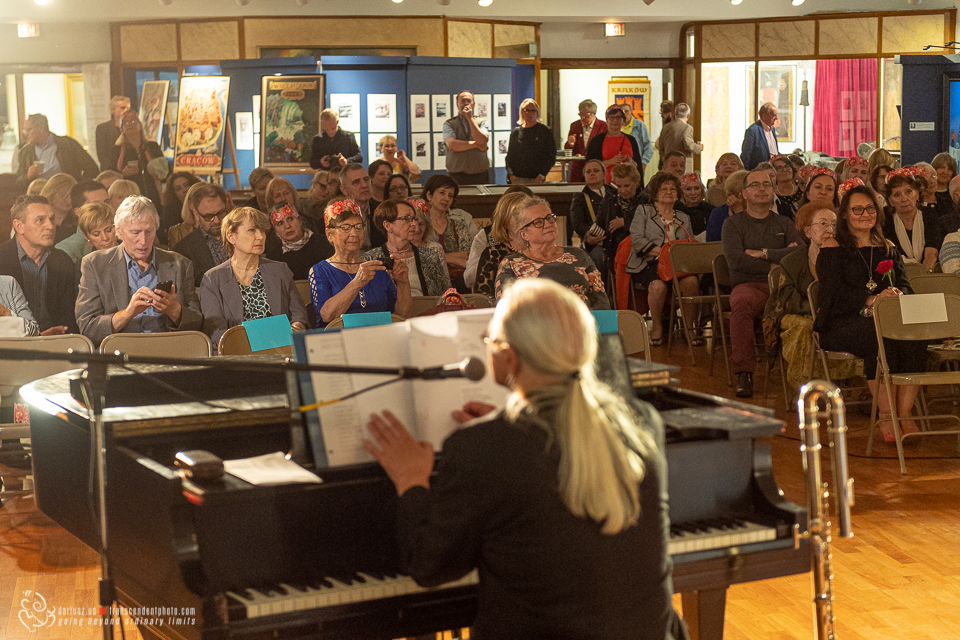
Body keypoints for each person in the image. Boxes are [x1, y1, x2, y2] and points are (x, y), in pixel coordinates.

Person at [362, 278, 675, 640]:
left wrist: (411, 480)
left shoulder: (484, 447)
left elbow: (430, 568)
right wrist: (495, 431)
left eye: (489, 340)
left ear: (507, 356)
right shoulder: (643, 422)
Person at [814, 185, 926, 441]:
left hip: (887, 318)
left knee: (915, 336)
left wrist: (898, 293)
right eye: (857, 209)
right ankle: (887, 416)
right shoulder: (833, 247)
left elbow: (905, 284)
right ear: (844, 214)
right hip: (842, 321)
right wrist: (872, 299)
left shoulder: (886, 246)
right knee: (878, 337)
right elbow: (832, 295)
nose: (865, 214)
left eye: (870, 208)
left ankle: (904, 413)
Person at [76, 196, 202, 345]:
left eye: (149, 231)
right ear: (119, 232)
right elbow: (88, 328)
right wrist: (127, 314)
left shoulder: (180, 264)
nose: (143, 241)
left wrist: (174, 310)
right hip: (120, 354)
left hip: (168, 352)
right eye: (135, 233)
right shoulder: (94, 265)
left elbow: (197, 326)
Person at [721, 169, 803, 398]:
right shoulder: (733, 224)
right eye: (755, 185)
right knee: (742, 305)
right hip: (749, 286)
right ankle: (744, 373)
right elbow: (736, 260)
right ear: (744, 193)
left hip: (784, 287)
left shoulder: (784, 223)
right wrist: (773, 266)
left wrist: (763, 253)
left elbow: (799, 254)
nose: (761, 189)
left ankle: (808, 371)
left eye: (767, 184)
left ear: (774, 190)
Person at [764, 202, 848, 393]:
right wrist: (814, 310)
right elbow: (786, 298)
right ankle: (805, 387)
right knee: (806, 327)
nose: (830, 229)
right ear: (808, 232)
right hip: (795, 312)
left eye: (834, 224)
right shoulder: (790, 261)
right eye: (823, 224)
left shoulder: (845, 257)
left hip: (831, 313)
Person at [201, 207, 308, 349]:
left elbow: (299, 315)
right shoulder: (212, 279)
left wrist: (295, 330)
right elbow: (218, 335)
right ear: (231, 236)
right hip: (237, 356)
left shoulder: (280, 270)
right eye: (252, 230)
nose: (260, 236)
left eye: (262, 230)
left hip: (282, 350)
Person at [308, 198, 411, 326]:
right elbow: (327, 315)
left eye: (358, 227)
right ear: (330, 235)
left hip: (379, 337)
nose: (354, 234)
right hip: (339, 340)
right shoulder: (320, 270)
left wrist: (403, 283)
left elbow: (400, 315)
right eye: (346, 228)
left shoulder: (377, 268)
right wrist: (357, 282)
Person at [496, 196, 609, 310]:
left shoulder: (579, 255)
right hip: (537, 324)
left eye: (549, 218)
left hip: (583, 323)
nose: (548, 224)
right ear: (524, 234)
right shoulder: (511, 264)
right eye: (538, 222)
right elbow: (507, 308)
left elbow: (601, 300)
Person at [628, 172, 699, 345]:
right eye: (663, 189)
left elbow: (687, 244)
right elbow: (636, 240)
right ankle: (657, 327)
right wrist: (664, 251)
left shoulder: (683, 217)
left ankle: (689, 328)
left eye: (672, 189)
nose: (669, 192)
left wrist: (674, 255)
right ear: (655, 193)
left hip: (677, 265)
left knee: (691, 282)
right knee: (658, 287)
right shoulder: (644, 211)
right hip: (649, 262)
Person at [0, 195, 79, 335]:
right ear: (19, 226)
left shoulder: (62, 260)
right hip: (12, 343)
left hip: (56, 341)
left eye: (52, 219)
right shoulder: (2, 258)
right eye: (40, 220)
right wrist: (37, 336)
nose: (50, 226)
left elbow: (69, 316)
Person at [363, 199, 451, 298]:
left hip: (427, 311)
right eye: (407, 218)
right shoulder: (371, 259)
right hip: (391, 313)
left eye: (414, 218)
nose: (414, 224)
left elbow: (445, 295)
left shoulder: (430, 256)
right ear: (388, 225)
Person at [469, 191, 531, 297]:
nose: (524, 219)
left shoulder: (541, 247)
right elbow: (484, 298)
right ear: (505, 219)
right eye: (517, 215)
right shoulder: (492, 254)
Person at [16, 114, 99, 189]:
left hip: (66, 196)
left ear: (41, 128)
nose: (25, 134)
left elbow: (92, 168)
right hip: (39, 197)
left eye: (28, 130)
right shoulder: (25, 152)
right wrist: (27, 176)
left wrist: (78, 187)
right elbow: (17, 182)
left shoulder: (67, 144)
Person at [422, 174, 479, 285]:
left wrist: (439, 256)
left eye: (450, 195)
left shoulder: (463, 217)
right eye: (442, 193)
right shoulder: (420, 219)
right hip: (431, 279)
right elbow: (421, 255)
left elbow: (474, 251)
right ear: (429, 195)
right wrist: (456, 259)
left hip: (464, 277)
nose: (446, 199)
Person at [171, 183, 231, 286]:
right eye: (209, 216)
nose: (217, 220)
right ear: (196, 214)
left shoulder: (242, 236)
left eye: (221, 213)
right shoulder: (183, 249)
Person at [882, 168, 942, 271]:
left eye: (908, 192)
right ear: (890, 201)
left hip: (926, 276)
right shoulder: (885, 221)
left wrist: (921, 278)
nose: (904, 198)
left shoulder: (930, 217)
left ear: (917, 194)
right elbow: (889, 257)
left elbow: (931, 254)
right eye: (897, 195)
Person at [109, 110, 166, 217]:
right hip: (130, 198)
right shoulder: (116, 151)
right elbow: (109, 175)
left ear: (140, 125)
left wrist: (159, 172)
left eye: (133, 121)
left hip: (153, 195)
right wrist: (122, 174)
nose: (130, 124)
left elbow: (166, 171)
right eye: (126, 123)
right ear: (122, 129)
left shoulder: (152, 147)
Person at [263, 202, 334, 280]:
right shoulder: (273, 257)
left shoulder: (325, 244)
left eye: (290, 219)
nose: (287, 226)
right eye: (280, 223)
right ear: (276, 232)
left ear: (300, 221)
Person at [569, 159, 615, 272]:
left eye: (596, 171)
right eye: (588, 172)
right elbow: (578, 224)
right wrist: (589, 235)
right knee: (599, 257)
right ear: (584, 176)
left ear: (604, 175)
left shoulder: (615, 193)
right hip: (594, 242)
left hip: (616, 238)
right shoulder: (580, 197)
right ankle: (601, 288)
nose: (592, 173)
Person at [596, 163, 645, 271]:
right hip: (614, 250)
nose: (622, 190)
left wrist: (626, 222)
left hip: (642, 251)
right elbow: (599, 225)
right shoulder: (609, 202)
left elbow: (651, 226)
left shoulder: (646, 201)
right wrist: (589, 238)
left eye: (627, 186)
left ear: (636, 183)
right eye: (619, 186)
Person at [54, 181, 110, 269]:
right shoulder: (65, 249)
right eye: (95, 205)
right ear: (78, 212)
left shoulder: (123, 239)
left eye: (106, 202)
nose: (104, 209)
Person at [443, 91, 491, 185]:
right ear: (457, 104)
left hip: (480, 175)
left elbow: (482, 140)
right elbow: (452, 145)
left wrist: (470, 119)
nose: (466, 104)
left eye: (468, 101)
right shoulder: (449, 124)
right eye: (462, 101)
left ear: (473, 104)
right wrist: (476, 145)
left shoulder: (482, 122)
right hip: (456, 175)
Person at [586, 104, 642, 183]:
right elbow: (590, 166)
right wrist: (610, 162)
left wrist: (633, 165)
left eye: (618, 117)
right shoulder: (597, 141)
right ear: (607, 120)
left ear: (623, 120)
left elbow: (638, 167)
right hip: (605, 186)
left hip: (627, 186)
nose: (615, 120)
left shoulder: (631, 140)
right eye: (612, 117)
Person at [506, 99, 556, 185]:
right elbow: (510, 156)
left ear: (537, 112)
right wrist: (511, 175)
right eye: (527, 110)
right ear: (522, 112)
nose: (530, 113)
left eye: (533, 110)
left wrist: (542, 175)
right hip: (517, 179)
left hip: (536, 179)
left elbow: (551, 156)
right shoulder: (516, 132)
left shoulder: (545, 131)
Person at [340, 162, 386, 250]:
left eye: (366, 179)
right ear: (344, 190)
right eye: (356, 182)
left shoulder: (382, 213)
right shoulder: (337, 217)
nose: (364, 185)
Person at [564, 99, 607, 183]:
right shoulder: (575, 125)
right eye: (580, 114)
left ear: (593, 114)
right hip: (578, 170)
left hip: (595, 167)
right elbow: (568, 148)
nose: (582, 118)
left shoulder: (603, 126)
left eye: (585, 115)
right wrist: (570, 144)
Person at [655, 103, 702, 175]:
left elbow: (660, 146)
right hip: (683, 166)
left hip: (669, 165)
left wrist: (665, 160)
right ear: (688, 115)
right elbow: (688, 144)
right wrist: (698, 147)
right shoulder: (687, 128)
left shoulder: (666, 127)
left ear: (675, 113)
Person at [705, 169, 749, 242]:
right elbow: (713, 244)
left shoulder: (760, 211)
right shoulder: (718, 213)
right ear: (738, 194)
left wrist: (739, 211)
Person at [39, 173, 79, 243]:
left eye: (69, 195)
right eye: (62, 195)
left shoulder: (78, 223)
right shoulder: (38, 221)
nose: (66, 200)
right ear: (51, 193)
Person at [160, 171, 200, 239]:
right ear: (174, 194)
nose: (184, 190)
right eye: (178, 189)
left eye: (186, 185)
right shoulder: (170, 213)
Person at [96, 96, 130, 172]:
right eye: (122, 108)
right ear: (113, 110)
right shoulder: (102, 129)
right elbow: (102, 156)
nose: (126, 111)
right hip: (110, 172)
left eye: (128, 108)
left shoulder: (132, 129)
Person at [741, 103, 779, 170]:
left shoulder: (772, 130)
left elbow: (773, 151)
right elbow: (746, 156)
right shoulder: (752, 131)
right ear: (764, 116)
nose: (776, 118)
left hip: (774, 171)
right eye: (774, 115)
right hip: (759, 173)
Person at [620, 102, 654, 173]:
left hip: (636, 164)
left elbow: (648, 146)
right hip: (620, 165)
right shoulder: (617, 126)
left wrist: (643, 163)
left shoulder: (639, 125)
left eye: (626, 111)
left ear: (631, 112)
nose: (624, 114)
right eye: (622, 112)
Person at [676, 173, 712, 238]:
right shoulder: (675, 210)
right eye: (688, 189)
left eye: (696, 188)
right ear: (681, 192)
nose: (693, 193)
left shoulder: (710, 209)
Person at [771, 155, 802, 221]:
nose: (784, 170)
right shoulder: (771, 195)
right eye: (779, 168)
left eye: (787, 166)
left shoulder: (802, 190)